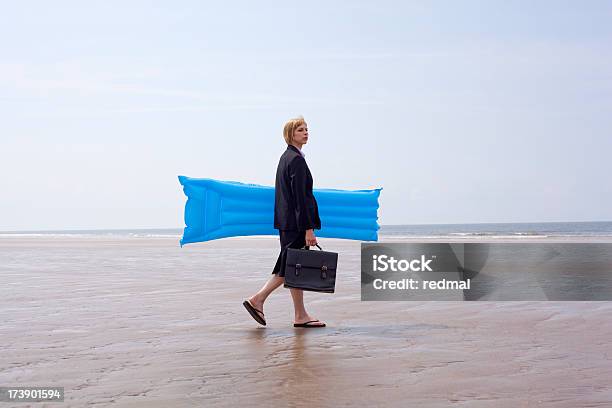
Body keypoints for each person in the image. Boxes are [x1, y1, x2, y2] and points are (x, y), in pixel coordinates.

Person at [243, 116, 326, 328]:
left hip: (286, 222)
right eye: (300, 130)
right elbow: (300, 197)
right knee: (289, 267)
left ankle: (300, 315)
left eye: (307, 129)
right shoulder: (296, 160)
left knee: (292, 266)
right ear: (291, 134)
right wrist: (308, 228)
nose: (306, 132)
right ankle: (257, 299)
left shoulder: (286, 157)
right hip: (296, 224)